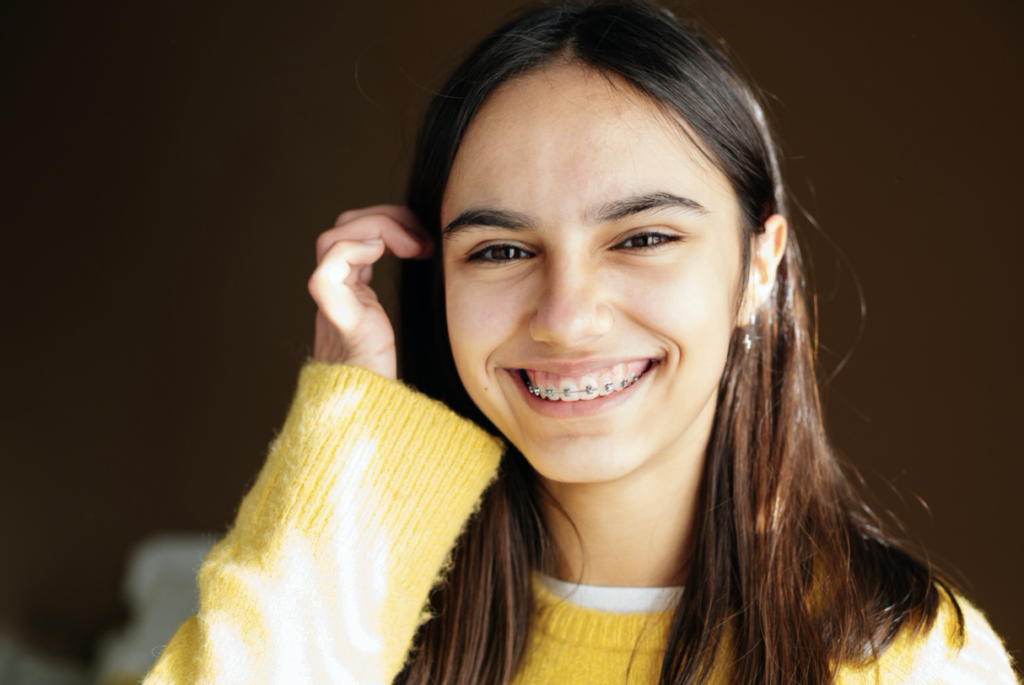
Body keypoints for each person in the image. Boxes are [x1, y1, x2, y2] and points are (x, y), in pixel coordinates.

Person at [144, 1, 1019, 683]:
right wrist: (345, 440)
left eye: (641, 237)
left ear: (761, 266)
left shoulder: (907, 661)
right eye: (500, 250)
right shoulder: (358, 626)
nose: (565, 315)